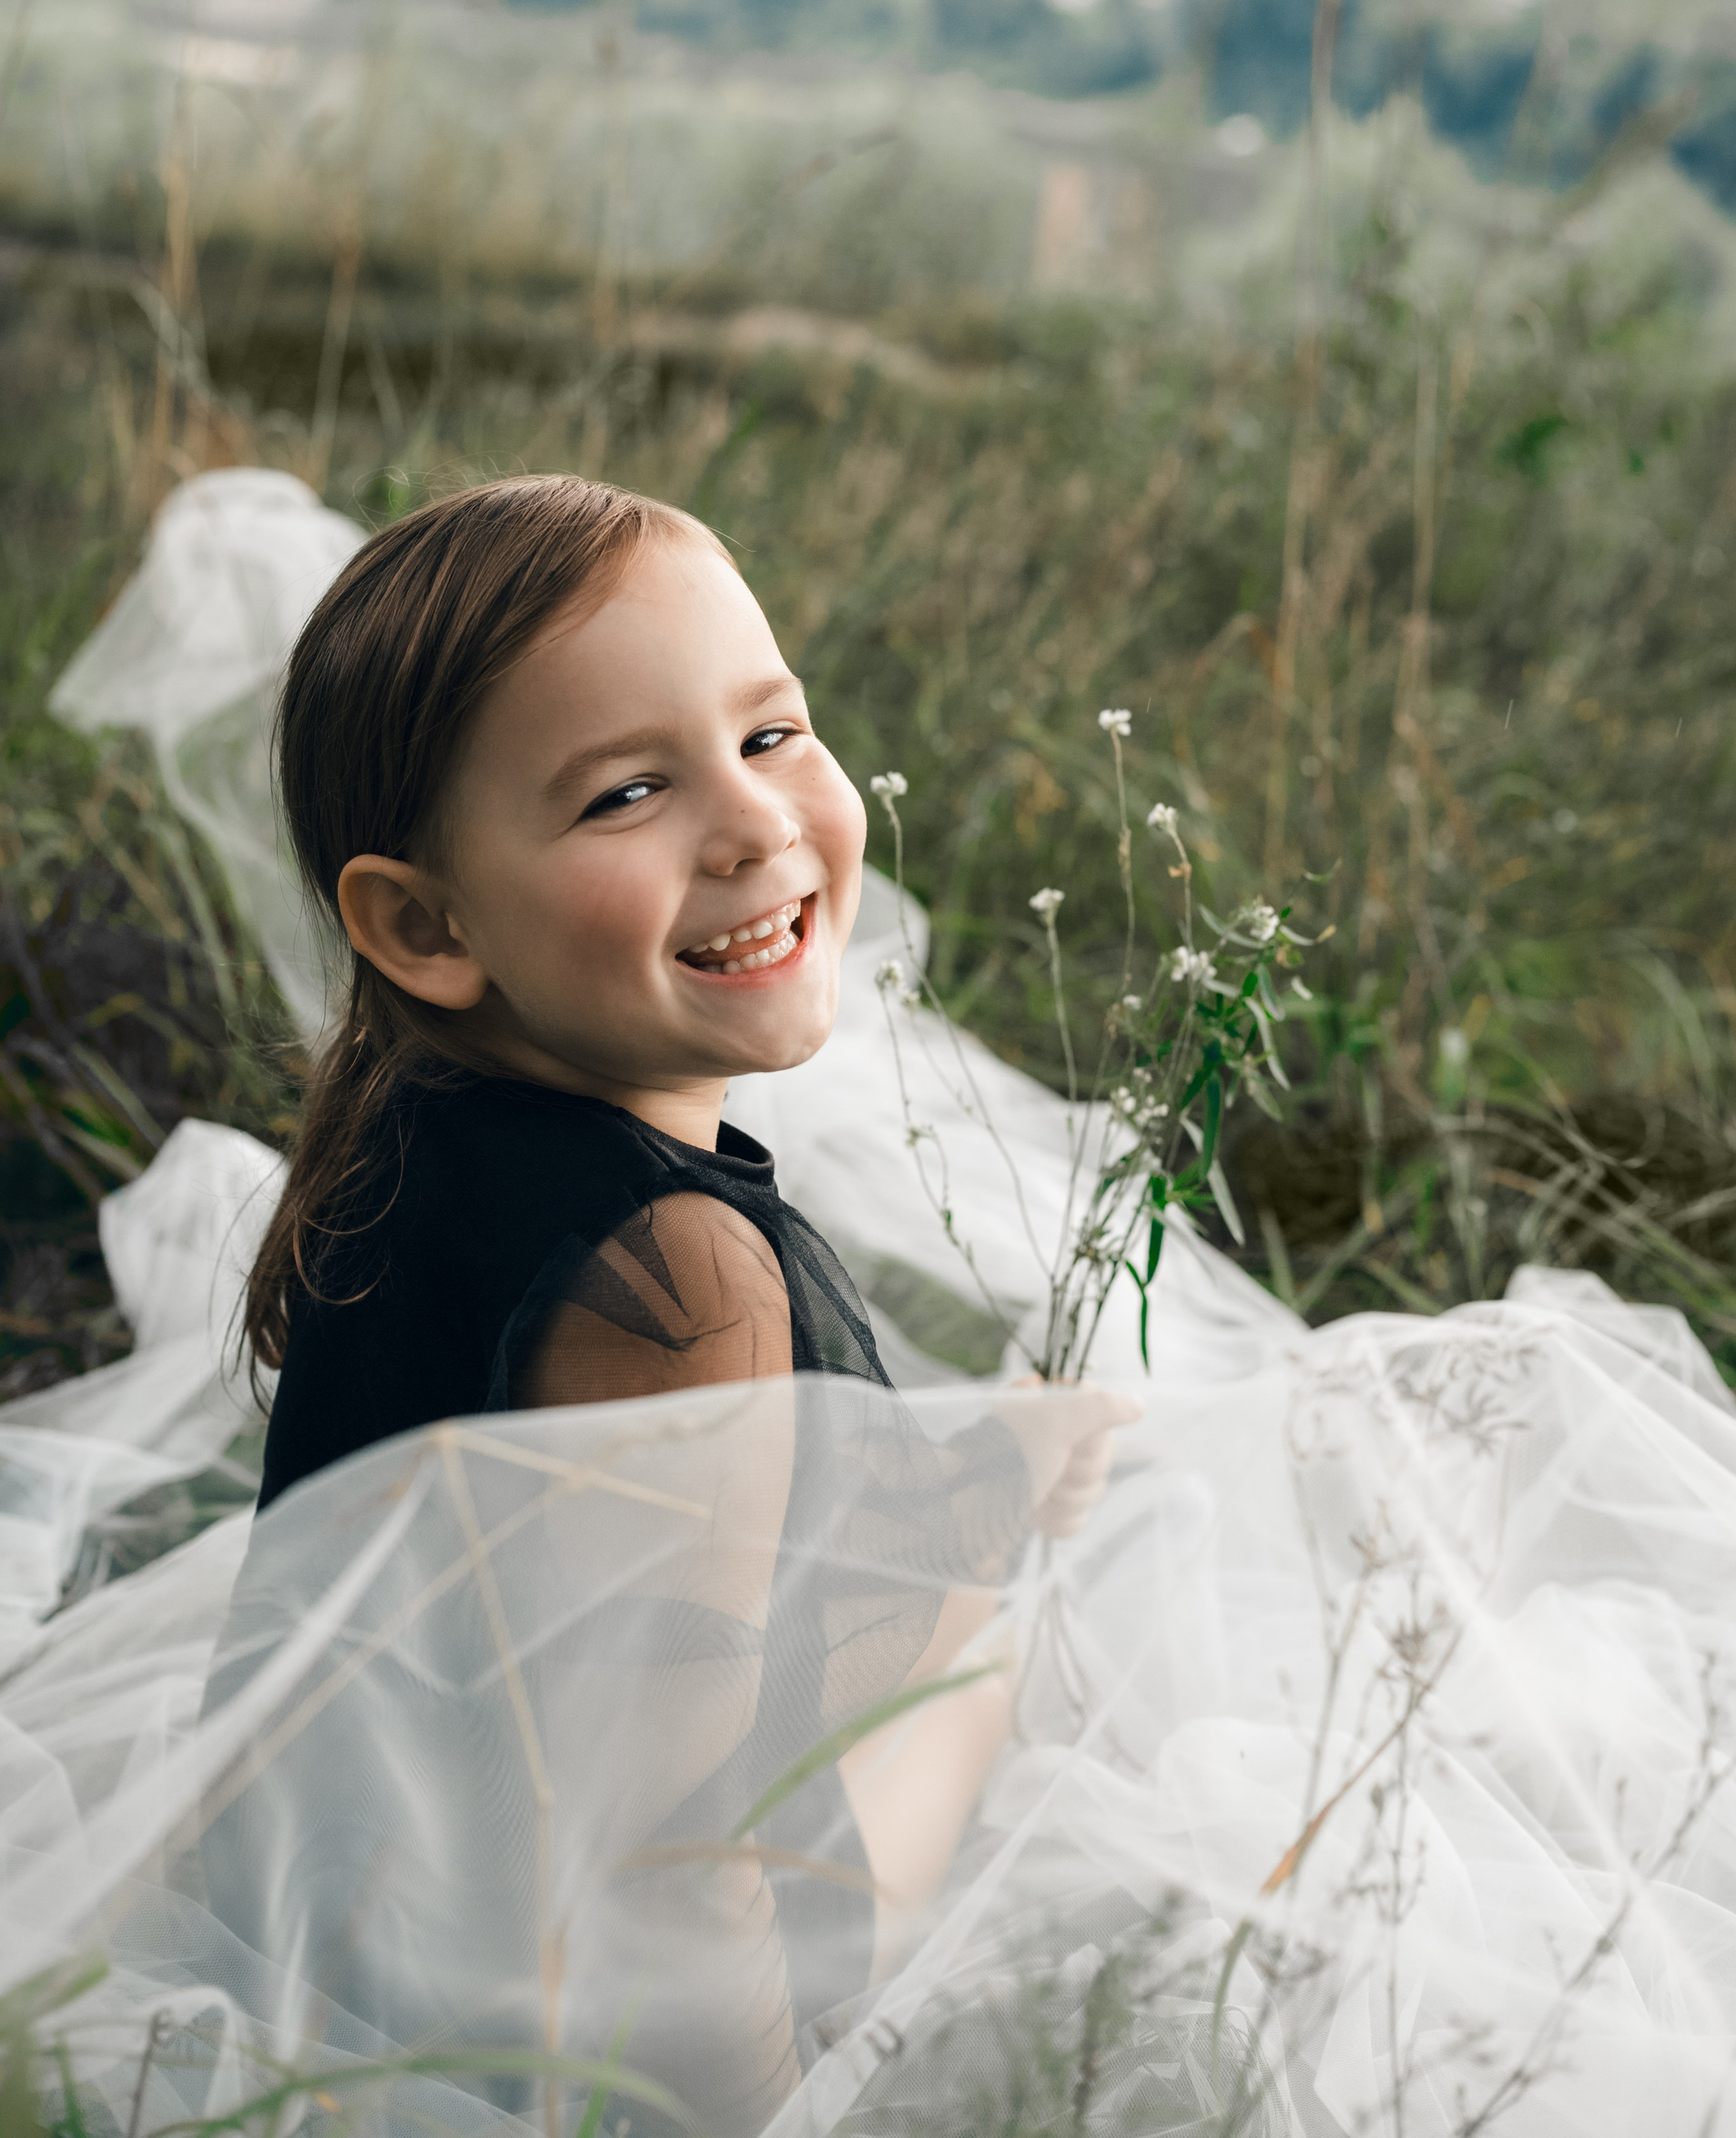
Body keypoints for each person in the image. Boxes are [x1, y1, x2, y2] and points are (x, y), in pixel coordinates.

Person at [224, 474, 1132, 2124]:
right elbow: (667, 1873)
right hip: (511, 2003)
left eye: (771, 734)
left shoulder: (413, 1117)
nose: (754, 825)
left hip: (399, 1867)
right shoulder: (672, 1282)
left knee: (969, 1565)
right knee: (1015, 1671)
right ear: (422, 924)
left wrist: (983, 1478)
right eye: (628, 791)